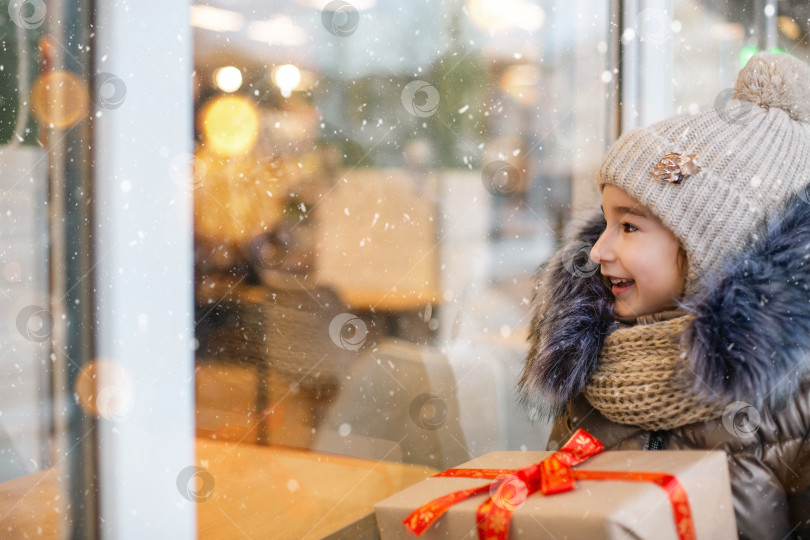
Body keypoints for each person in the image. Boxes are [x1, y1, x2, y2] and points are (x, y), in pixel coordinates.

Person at [519, 52, 810, 539]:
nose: (598, 251)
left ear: (713, 244)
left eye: (630, 226)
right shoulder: (592, 368)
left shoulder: (792, 397)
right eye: (606, 222)